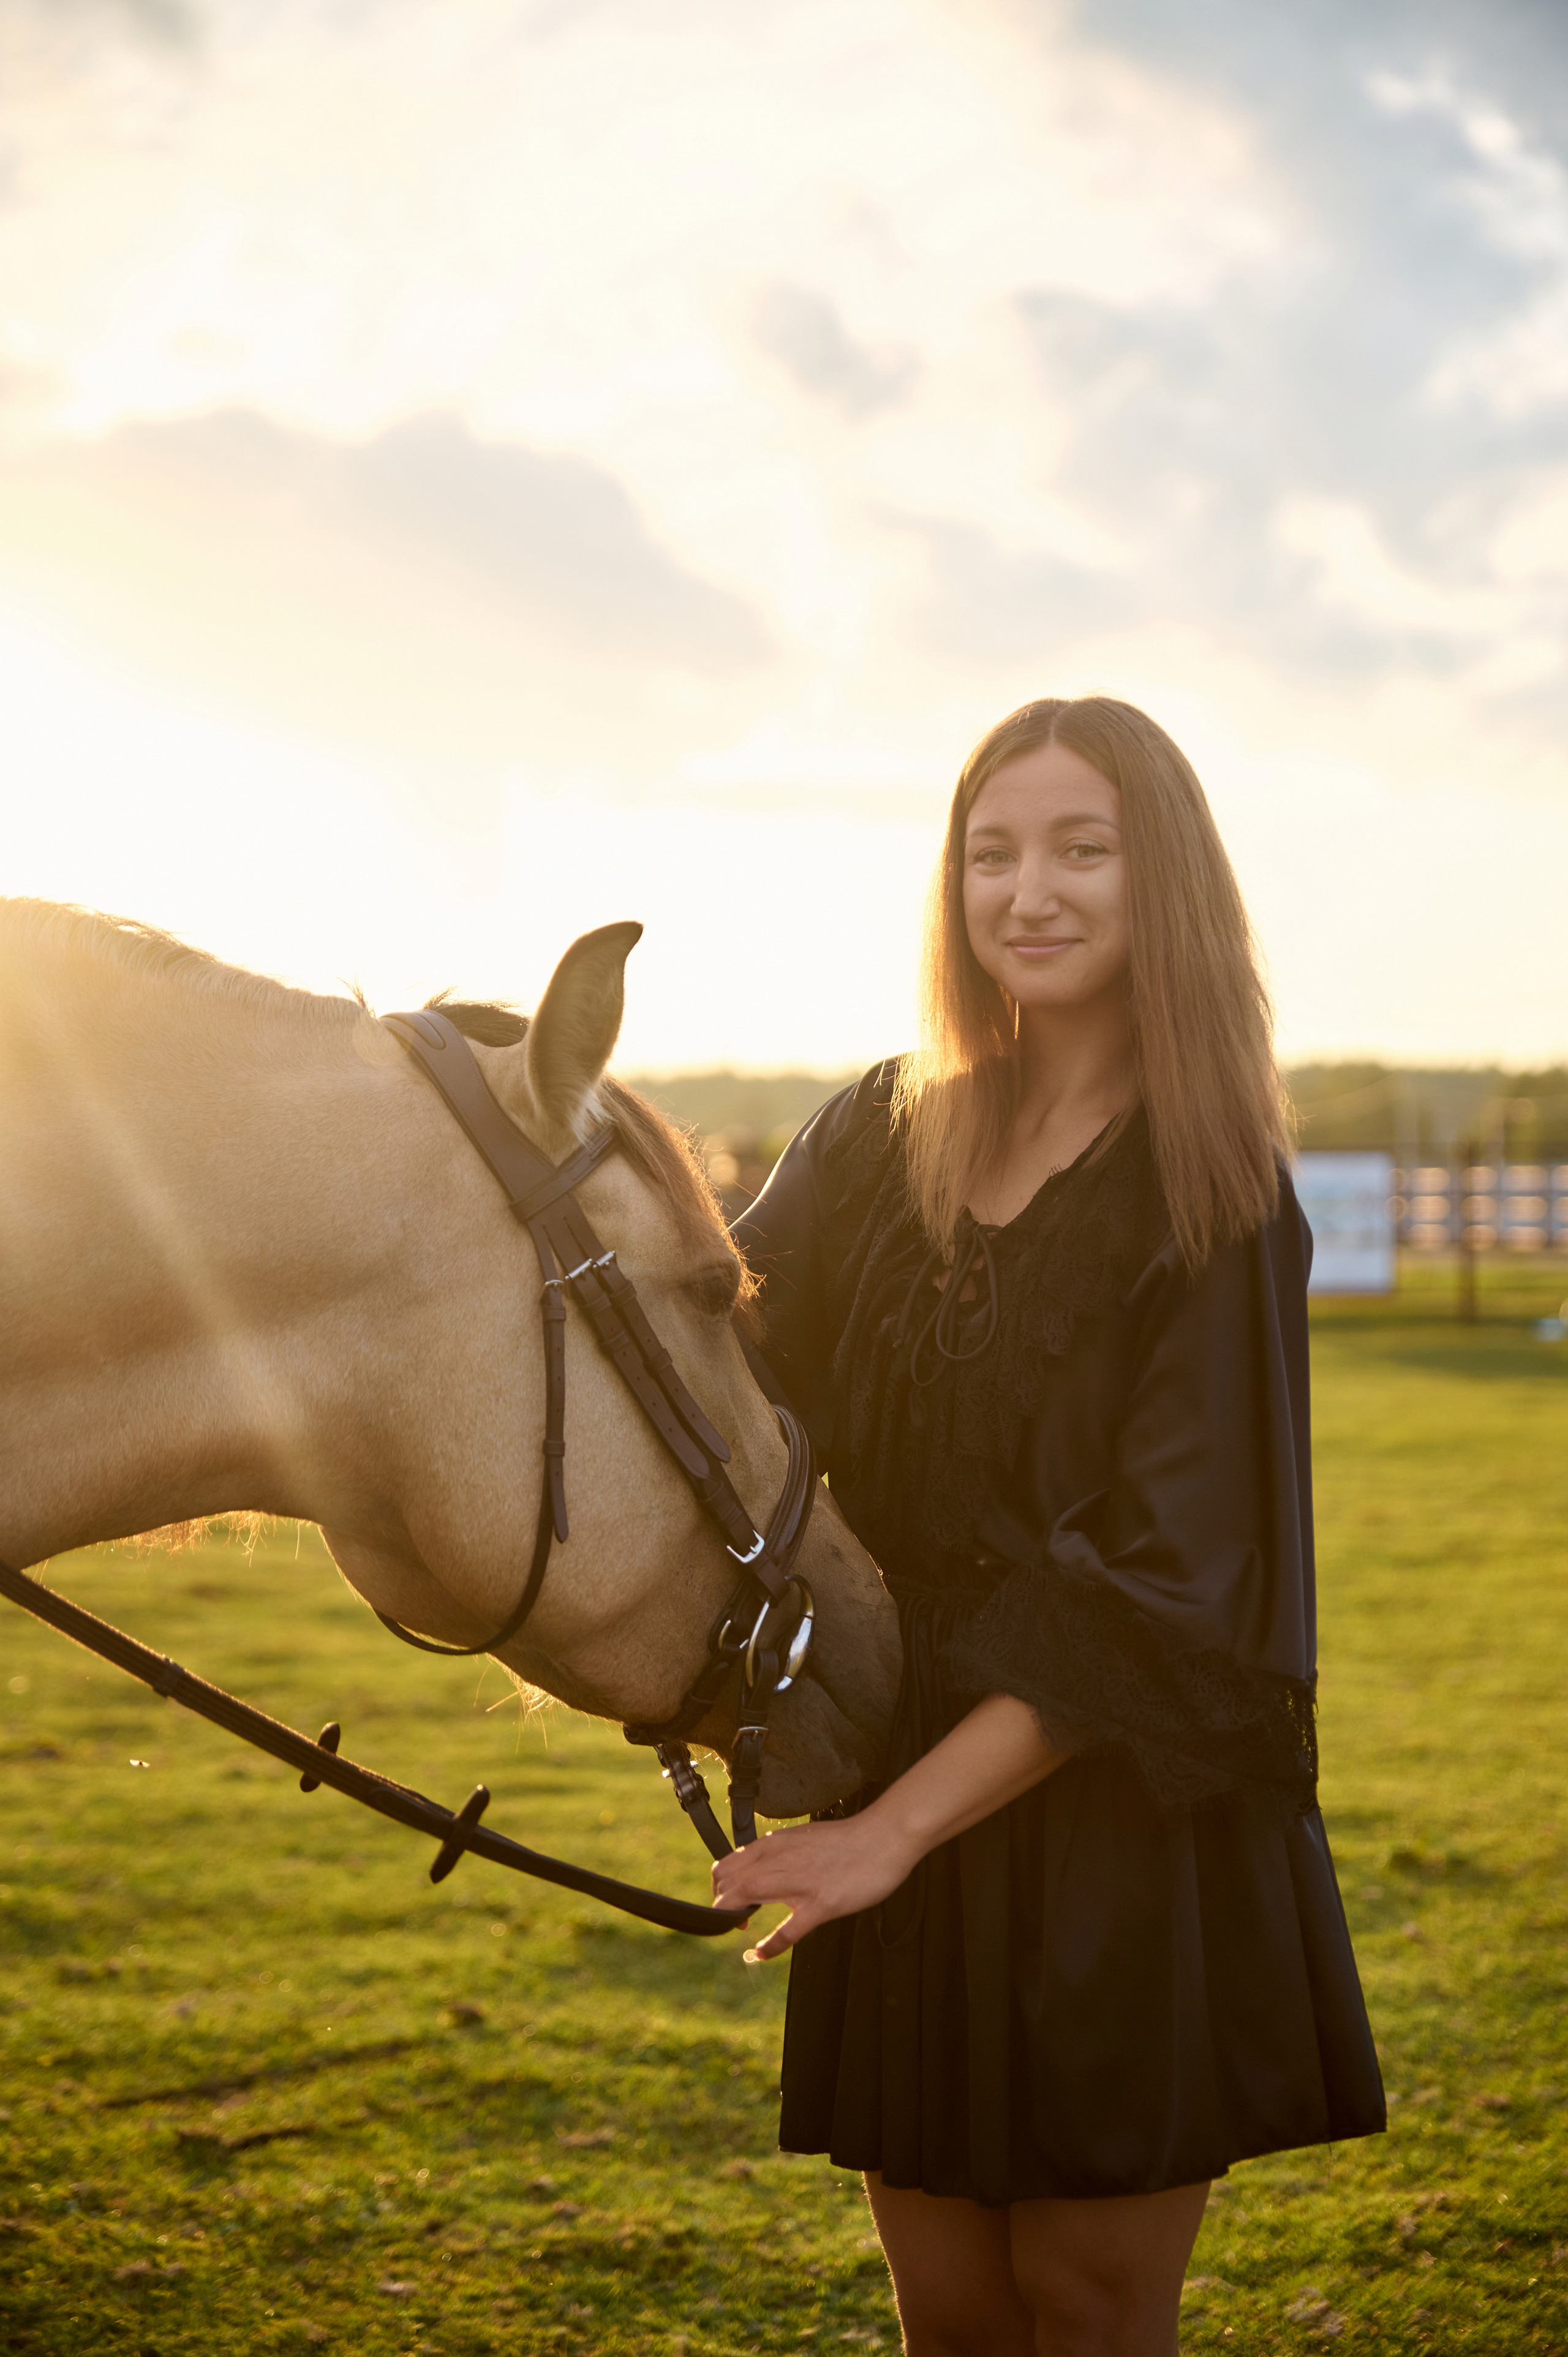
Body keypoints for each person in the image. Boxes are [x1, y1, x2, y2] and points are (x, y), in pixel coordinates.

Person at [717, 697, 1384, 2357]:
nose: (1030, 889)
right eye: (992, 849)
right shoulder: (875, 1134)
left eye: (1084, 848)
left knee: (1080, 2307)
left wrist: (892, 1837)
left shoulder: (1215, 1187)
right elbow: (706, 1363)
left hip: (1114, 1809)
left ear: (1164, 880)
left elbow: (1173, 1589)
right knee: (946, 2310)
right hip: (890, 1750)